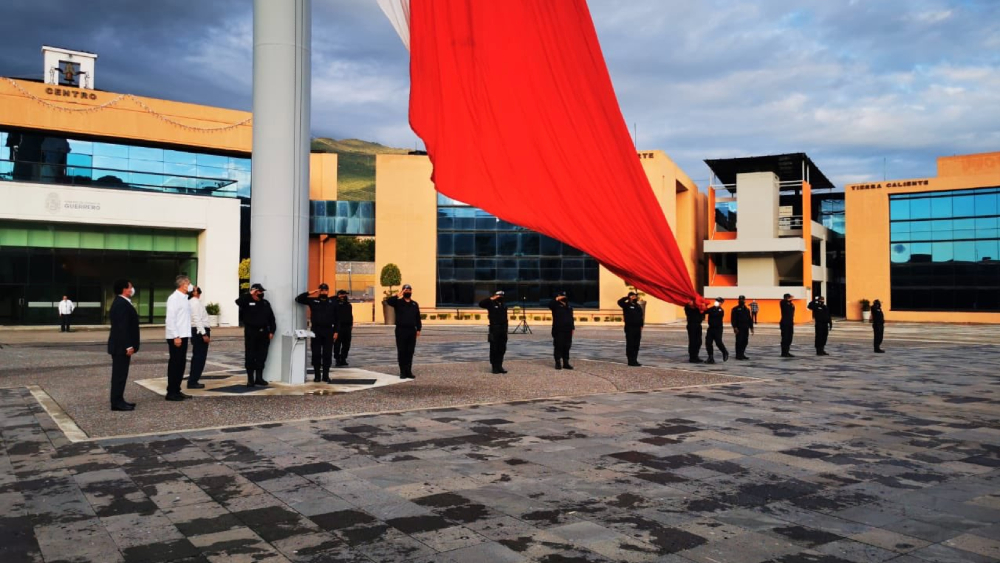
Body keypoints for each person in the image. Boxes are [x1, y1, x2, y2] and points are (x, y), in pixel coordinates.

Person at [235, 283, 276, 387]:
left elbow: (271, 318)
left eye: (262, 291)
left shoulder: (265, 303)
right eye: (260, 291)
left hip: (264, 333)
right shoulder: (246, 301)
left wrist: (272, 331)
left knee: (261, 355)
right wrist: (249, 294)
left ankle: (259, 378)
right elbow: (238, 301)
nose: (262, 293)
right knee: (250, 355)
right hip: (251, 332)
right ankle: (250, 379)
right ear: (254, 291)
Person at [108, 279, 139, 411]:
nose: (132, 289)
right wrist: (128, 345)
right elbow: (122, 327)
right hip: (121, 347)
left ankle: (119, 399)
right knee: (119, 375)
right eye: (130, 287)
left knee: (121, 375)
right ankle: (116, 402)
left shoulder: (123, 302)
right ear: (124, 289)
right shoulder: (121, 304)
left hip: (121, 346)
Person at [295, 283, 337, 382]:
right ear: (319, 291)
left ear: (328, 291)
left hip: (328, 331)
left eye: (325, 290)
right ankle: (317, 375)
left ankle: (326, 375)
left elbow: (337, 318)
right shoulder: (313, 301)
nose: (324, 292)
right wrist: (311, 292)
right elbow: (298, 299)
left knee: (327, 354)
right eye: (322, 290)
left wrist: (336, 331)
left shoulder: (332, 302)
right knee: (316, 353)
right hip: (316, 331)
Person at [164, 275, 192, 401]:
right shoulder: (174, 298)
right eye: (189, 283)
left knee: (181, 364)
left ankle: (177, 389)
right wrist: (176, 336)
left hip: (184, 335)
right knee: (175, 363)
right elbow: (170, 319)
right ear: (183, 284)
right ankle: (171, 392)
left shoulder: (185, 298)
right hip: (177, 336)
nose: (190, 285)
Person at [386, 284, 421, 379]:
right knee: (402, 351)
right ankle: (402, 372)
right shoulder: (398, 302)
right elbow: (388, 302)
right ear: (403, 291)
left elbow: (418, 317)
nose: (407, 291)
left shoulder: (414, 304)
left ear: (411, 291)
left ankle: (408, 371)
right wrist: (398, 295)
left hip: (411, 331)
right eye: (405, 290)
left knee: (410, 351)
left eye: (409, 290)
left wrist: (418, 329)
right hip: (401, 330)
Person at [479, 290, 509, 374]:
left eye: (502, 296)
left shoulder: (504, 305)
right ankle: (494, 367)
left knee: (502, 348)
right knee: (494, 348)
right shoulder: (490, 303)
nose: (501, 297)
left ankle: (500, 366)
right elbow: (481, 304)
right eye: (499, 296)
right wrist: (492, 298)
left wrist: (506, 329)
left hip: (503, 329)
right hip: (494, 328)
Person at [188, 286, 211, 389]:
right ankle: (193, 381)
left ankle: (193, 380)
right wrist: (204, 334)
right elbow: (197, 319)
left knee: (198, 357)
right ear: (193, 293)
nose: (198, 289)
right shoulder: (195, 303)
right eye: (196, 289)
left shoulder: (194, 302)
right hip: (199, 331)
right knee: (199, 358)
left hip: (198, 331)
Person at [549, 291, 575, 370]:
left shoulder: (569, 306)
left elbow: (571, 318)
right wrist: (556, 299)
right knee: (558, 346)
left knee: (567, 346)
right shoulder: (555, 305)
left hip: (568, 329)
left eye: (564, 296)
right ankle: (558, 362)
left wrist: (573, 328)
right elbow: (549, 305)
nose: (564, 298)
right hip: (558, 329)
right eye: (562, 296)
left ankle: (566, 362)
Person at [617, 291, 644, 366]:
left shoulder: (637, 306)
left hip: (637, 328)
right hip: (630, 327)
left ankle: (635, 360)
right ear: (630, 297)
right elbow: (619, 302)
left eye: (635, 296)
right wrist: (627, 297)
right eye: (633, 296)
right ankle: (630, 360)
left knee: (636, 344)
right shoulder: (626, 305)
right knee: (630, 344)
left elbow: (641, 316)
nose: (634, 297)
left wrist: (641, 325)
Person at [333, 289, 354, 367]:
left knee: (346, 344)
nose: (344, 296)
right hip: (338, 327)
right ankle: (337, 359)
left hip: (347, 327)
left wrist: (351, 324)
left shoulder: (348, 305)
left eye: (345, 295)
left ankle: (343, 358)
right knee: (337, 344)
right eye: (342, 294)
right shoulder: (335, 304)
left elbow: (350, 315)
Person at [704, 298, 728, 364]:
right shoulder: (712, 308)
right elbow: (705, 311)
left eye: (718, 301)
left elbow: (714, 314)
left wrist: (708, 310)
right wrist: (704, 306)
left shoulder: (721, 310)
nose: (716, 302)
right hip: (711, 328)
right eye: (716, 301)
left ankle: (725, 352)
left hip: (718, 329)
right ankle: (710, 357)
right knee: (708, 343)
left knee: (718, 342)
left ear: (721, 303)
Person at [731, 295, 754, 360]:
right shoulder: (735, 309)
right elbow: (733, 319)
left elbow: (749, 319)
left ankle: (742, 354)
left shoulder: (747, 309)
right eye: (740, 299)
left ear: (744, 300)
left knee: (745, 341)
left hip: (745, 328)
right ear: (738, 300)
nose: (742, 301)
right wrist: (734, 327)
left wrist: (751, 328)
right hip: (739, 328)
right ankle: (738, 355)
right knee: (739, 341)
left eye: (743, 300)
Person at [684, 299, 704, 363]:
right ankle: (692, 357)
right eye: (690, 301)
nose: (691, 302)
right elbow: (692, 312)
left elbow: (702, 315)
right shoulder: (688, 308)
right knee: (693, 341)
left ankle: (696, 356)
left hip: (698, 325)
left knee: (699, 341)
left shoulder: (697, 308)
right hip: (691, 325)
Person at [780, 293, 795, 357]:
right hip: (784, 323)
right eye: (789, 297)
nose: (791, 298)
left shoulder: (791, 304)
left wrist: (790, 301)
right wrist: (788, 300)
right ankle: (784, 353)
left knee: (789, 338)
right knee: (785, 338)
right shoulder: (783, 302)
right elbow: (784, 302)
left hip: (790, 323)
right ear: (786, 298)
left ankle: (787, 351)